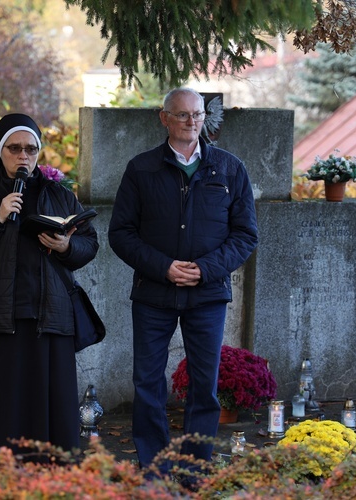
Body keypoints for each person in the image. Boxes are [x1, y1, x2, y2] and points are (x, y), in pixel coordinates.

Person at [108, 88, 258, 475]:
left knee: (204, 387)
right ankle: (155, 469)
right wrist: (164, 267)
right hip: (153, 294)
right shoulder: (141, 169)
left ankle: (194, 469)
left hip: (207, 294)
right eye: (182, 115)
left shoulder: (230, 168)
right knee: (148, 384)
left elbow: (245, 236)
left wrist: (206, 268)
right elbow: (121, 233)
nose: (192, 122)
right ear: (164, 119)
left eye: (197, 115)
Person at [0, 113, 99, 453]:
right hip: (0, 317)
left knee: (50, 402)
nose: (23, 156)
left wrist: (66, 246)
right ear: (0, 152)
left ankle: (48, 472)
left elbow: (90, 243)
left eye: (31, 149)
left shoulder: (59, 196)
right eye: (14, 148)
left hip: (51, 316)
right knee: (4, 403)